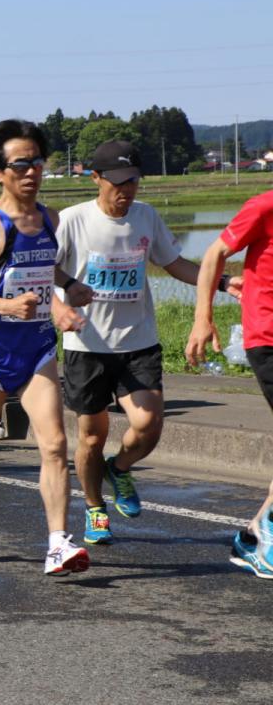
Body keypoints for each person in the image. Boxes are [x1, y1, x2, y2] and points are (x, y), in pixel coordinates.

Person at [57, 140, 235, 545]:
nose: (127, 191)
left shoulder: (146, 217)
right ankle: (94, 507)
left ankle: (118, 469)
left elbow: (173, 263)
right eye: (118, 182)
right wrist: (60, 303)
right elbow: (43, 267)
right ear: (96, 178)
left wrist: (223, 281)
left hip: (138, 341)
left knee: (149, 423)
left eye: (134, 181)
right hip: (87, 346)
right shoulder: (71, 220)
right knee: (89, 437)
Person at [0, 118, 95, 576]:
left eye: (37, 163)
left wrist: (70, 286)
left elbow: (46, 267)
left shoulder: (50, 218)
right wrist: (6, 305)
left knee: (54, 443)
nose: (31, 172)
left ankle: (57, 544)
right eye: (20, 164)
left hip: (39, 348)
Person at [185, 190, 273, 579]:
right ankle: (266, 536)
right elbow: (213, 255)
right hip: (268, 336)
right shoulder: (264, 206)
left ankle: (254, 536)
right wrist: (203, 317)